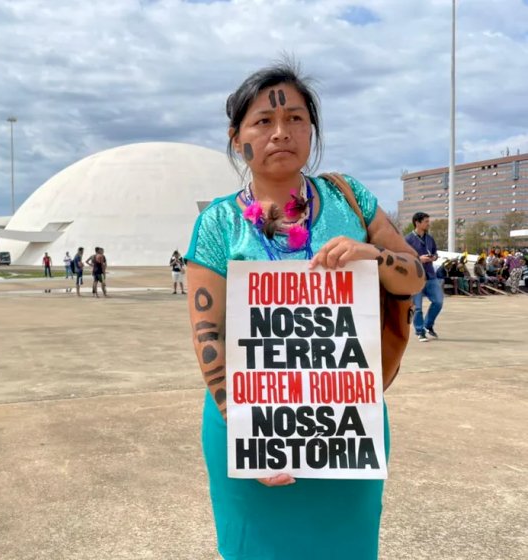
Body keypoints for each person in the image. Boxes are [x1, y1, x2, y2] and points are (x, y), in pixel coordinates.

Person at [184, 62, 425, 560]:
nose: (281, 133)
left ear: (312, 130)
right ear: (237, 139)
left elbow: (414, 277)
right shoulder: (217, 223)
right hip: (251, 420)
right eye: (263, 122)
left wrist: (373, 256)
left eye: (295, 118)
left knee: (344, 547)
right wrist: (247, 430)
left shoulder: (349, 198)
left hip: (344, 421)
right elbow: (208, 332)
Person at [405, 212, 444, 341]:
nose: (429, 223)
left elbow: (435, 253)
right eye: (426, 221)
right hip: (415, 277)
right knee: (418, 307)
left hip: (430, 275)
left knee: (438, 302)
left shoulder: (430, 239)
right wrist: (418, 259)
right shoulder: (407, 240)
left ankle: (428, 325)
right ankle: (420, 331)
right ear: (417, 222)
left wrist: (434, 257)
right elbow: (403, 258)